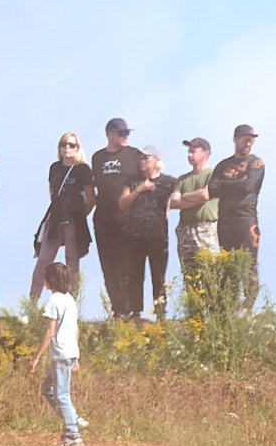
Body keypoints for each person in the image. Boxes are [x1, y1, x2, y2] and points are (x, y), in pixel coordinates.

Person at [33, 133, 94, 301]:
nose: (67, 147)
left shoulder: (83, 169)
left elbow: (91, 199)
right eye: (63, 144)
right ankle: (32, 302)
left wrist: (79, 215)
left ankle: (71, 303)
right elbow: (52, 193)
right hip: (55, 219)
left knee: (72, 261)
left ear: (77, 148)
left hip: (74, 220)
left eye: (71, 145)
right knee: (43, 260)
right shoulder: (55, 168)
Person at [117, 147, 177, 319]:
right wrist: (139, 190)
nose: (142, 162)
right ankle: (135, 311)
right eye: (140, 158)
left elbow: (179, 198)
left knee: (158, 274)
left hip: (157, 235)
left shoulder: (168, 182)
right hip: (134, 235)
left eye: (146, 158)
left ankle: (160, 311)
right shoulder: (133, 181)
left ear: (156, 160)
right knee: (135, 273)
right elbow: (122, 203)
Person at [31, 259, 84, 446]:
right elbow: (75, 329)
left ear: (50, 280)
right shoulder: (69, 299)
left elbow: (50, 332)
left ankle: (72, 435)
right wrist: (75, 355)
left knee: (61, 395)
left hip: (61, 354)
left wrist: (36, 357)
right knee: (47, 388)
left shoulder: (53, 301)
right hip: (68, 352)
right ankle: (72, 418)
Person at [89, 118, 145, 298]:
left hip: (128, 219)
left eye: (127, 132)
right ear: (109, 134)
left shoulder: (135, 155)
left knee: (128, 265)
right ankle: (117, 309)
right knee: (108, 266)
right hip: (104, 220)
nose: (125, 136)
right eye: (121, 133)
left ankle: (131, 308)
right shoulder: (98, 157)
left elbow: (146, 179)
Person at [209, 124, 265, 302]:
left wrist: (226, 185)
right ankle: (229, 305)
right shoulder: (223, 165)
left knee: (248, 263)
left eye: (251, 139)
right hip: (225, 219)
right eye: (245, 138)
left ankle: (248, 306)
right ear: (235, 139)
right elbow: (212, 189)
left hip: (246, 219)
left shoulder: (256, 163)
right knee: (227, 264)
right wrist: (237, 185)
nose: (248, 142)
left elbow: (249, 186)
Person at [170, 137, 221, 306]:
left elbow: (205, 195)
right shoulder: (182, 179)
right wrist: (192, 198)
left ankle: (214, 310)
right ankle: (195, 311)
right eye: (189, 151)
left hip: (205, 228)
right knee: (189, 273)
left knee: (209, 271)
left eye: (194, 151)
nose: (190, 154)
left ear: (205, 153)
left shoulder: (213, 174)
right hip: (186, 229)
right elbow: (175, 202)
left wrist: (185, 198)